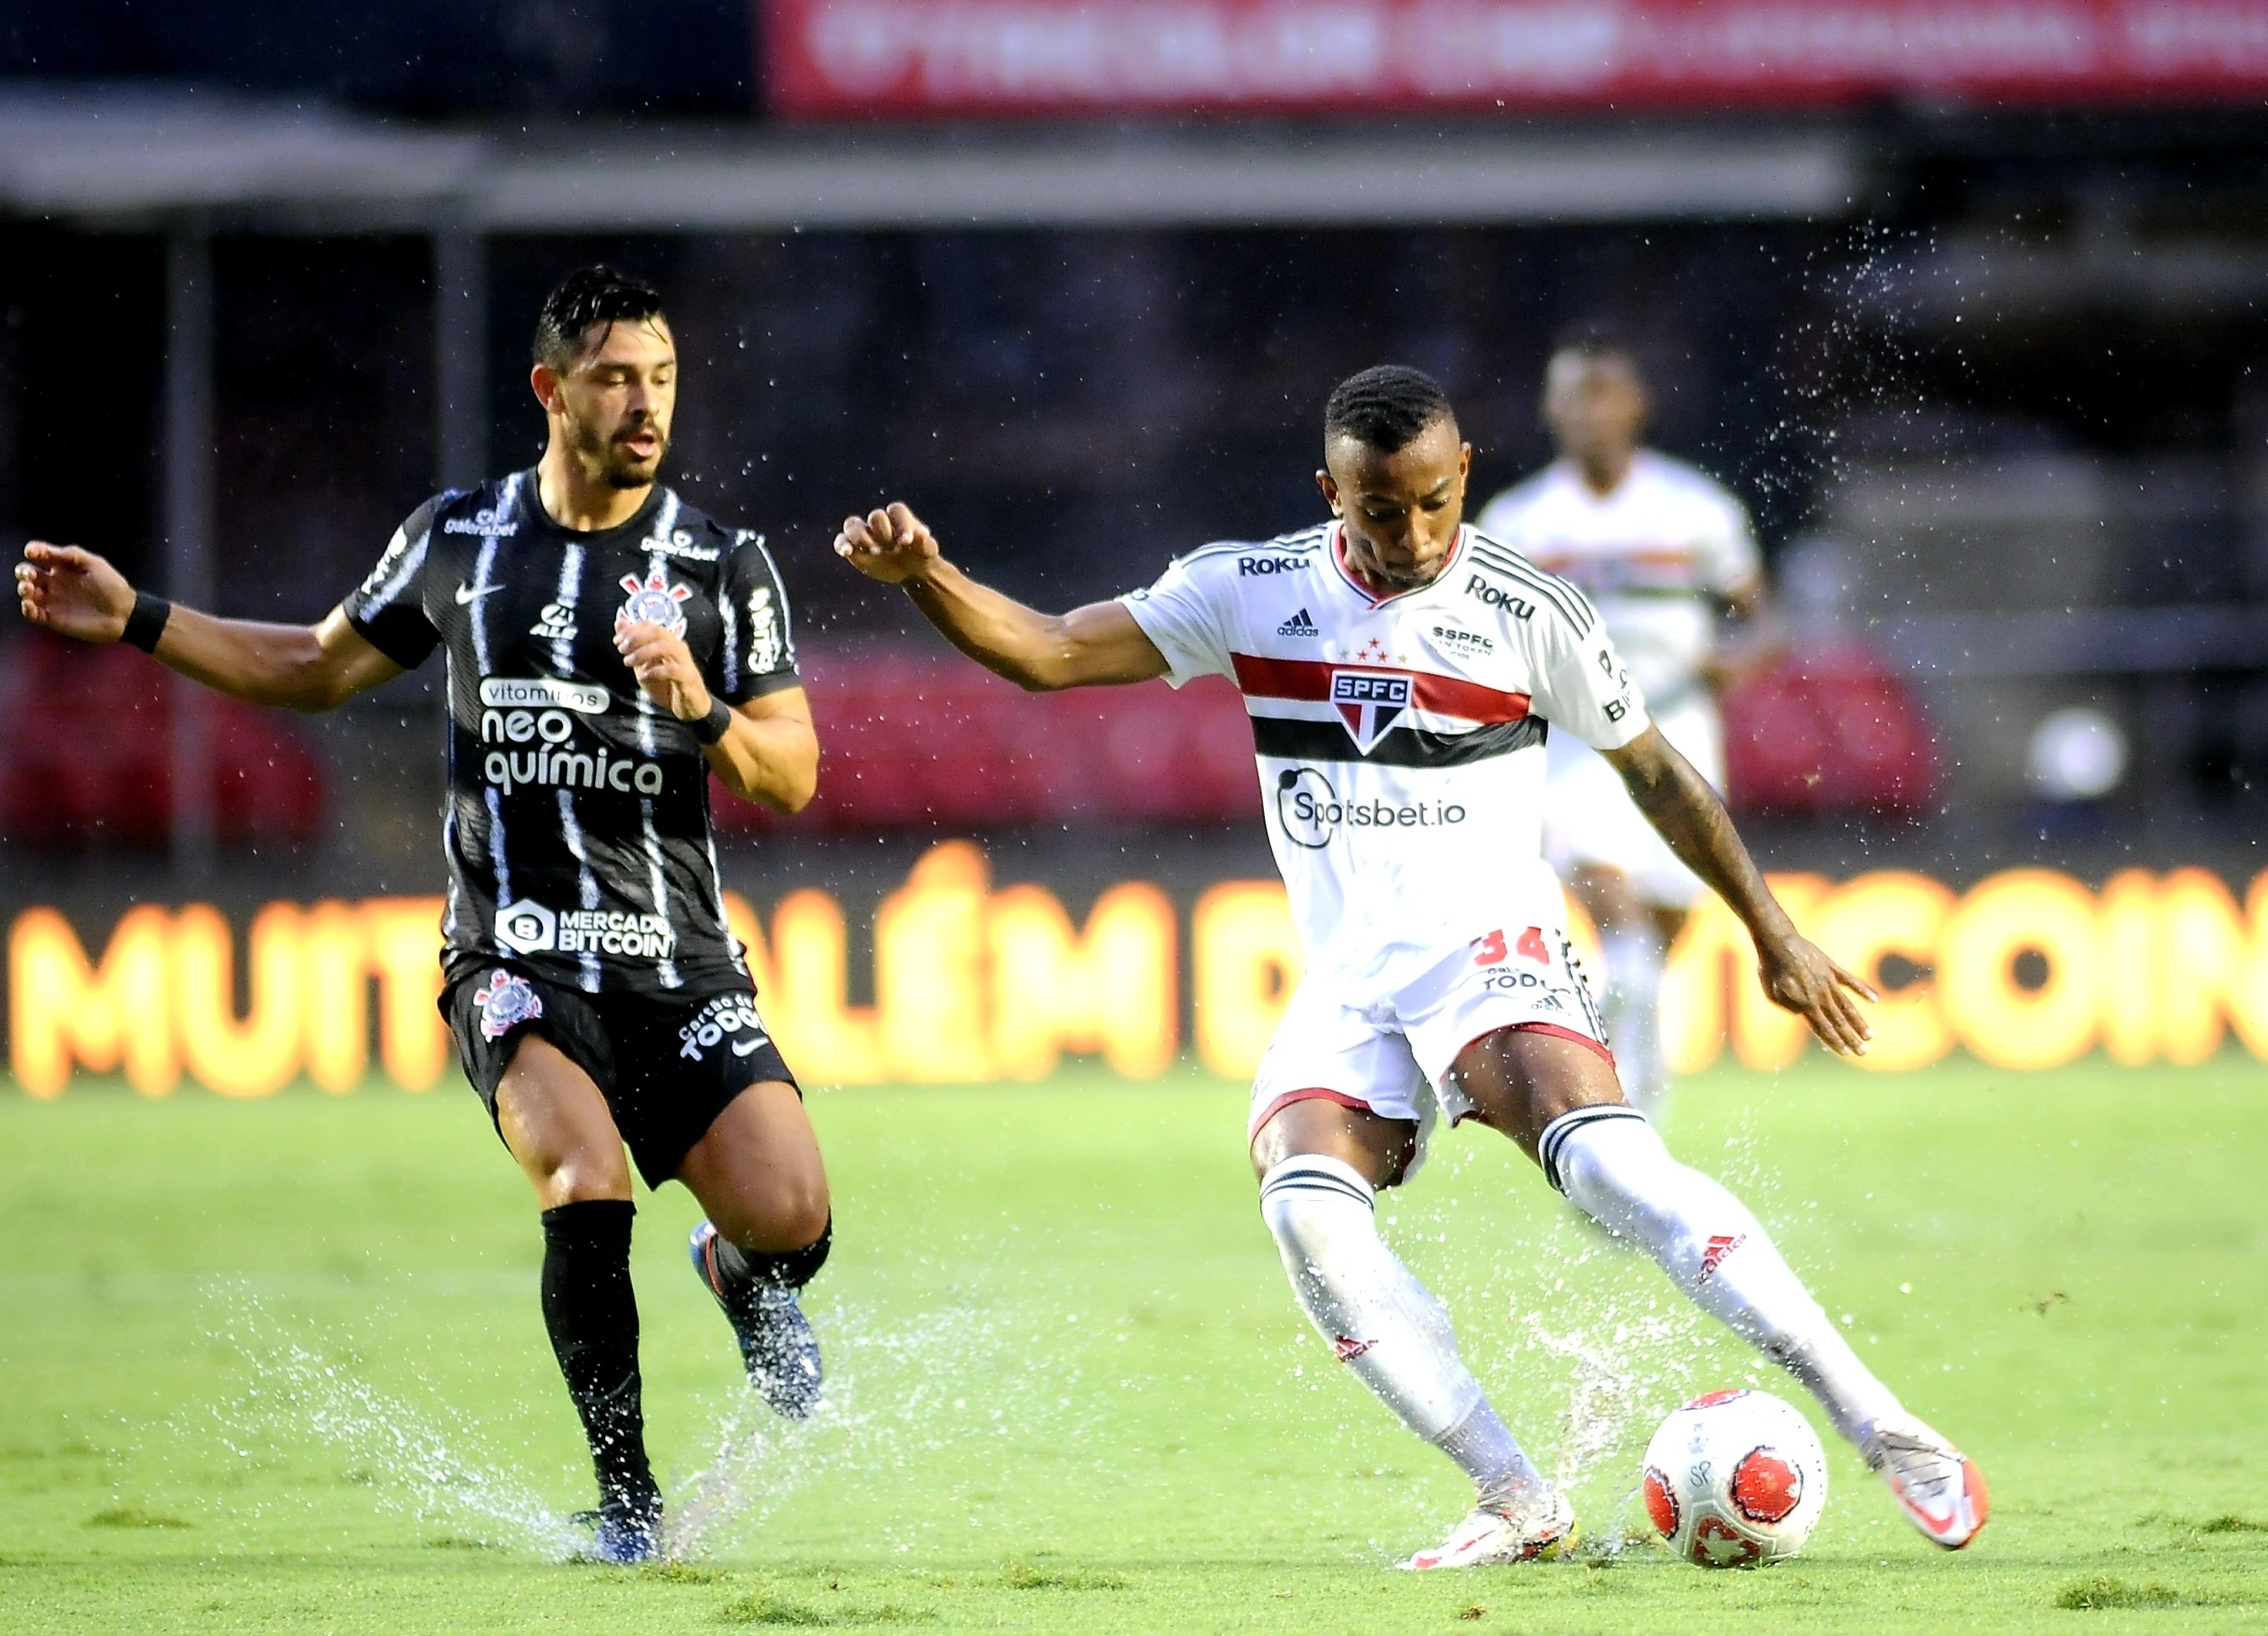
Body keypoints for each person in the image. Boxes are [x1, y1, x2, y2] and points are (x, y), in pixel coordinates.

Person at [833, 364, 1985, 1567]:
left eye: (1435, 501)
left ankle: (1884, 1425)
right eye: (1381, 510)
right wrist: (929, 579)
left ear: (1464, 473)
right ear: (1331, 492)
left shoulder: (1527, 607)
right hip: (1347, 979)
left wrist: (1772, 931)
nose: (1414, 534)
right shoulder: (1249, 589)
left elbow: (1654, 770)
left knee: (1609, 1170)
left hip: (1490, 947)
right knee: (1306, 1215)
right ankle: (1515, 1496)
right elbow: (1051, 652)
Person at [17, 266, 835, 1564]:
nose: (646, 405)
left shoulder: (722, 566)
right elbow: (315, 667)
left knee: (794, 1217)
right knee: (582, 1176)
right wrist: (138, 619)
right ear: (549, 389)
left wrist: (698, 704)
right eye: (618, 377)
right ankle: (630, 1506)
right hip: (510, 955)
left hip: (677, 963)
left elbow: (791, 775)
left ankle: (738, 1277)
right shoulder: (462, 539)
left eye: (663, 378)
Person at [1478, 333, 1778, 1113]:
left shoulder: (1693, 509)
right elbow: (1478, 639)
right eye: (1573, 395)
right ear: (1550, 409)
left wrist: (1735, 661)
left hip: (1676, 734)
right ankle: (1619, 1109)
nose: (1589, 413)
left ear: (1637, 404)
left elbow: (1762, 620)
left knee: (1656, 941)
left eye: (1604, 392)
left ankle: (1625, 1067)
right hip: (1576, 746)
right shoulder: (1519, 523)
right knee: (1623, 933)